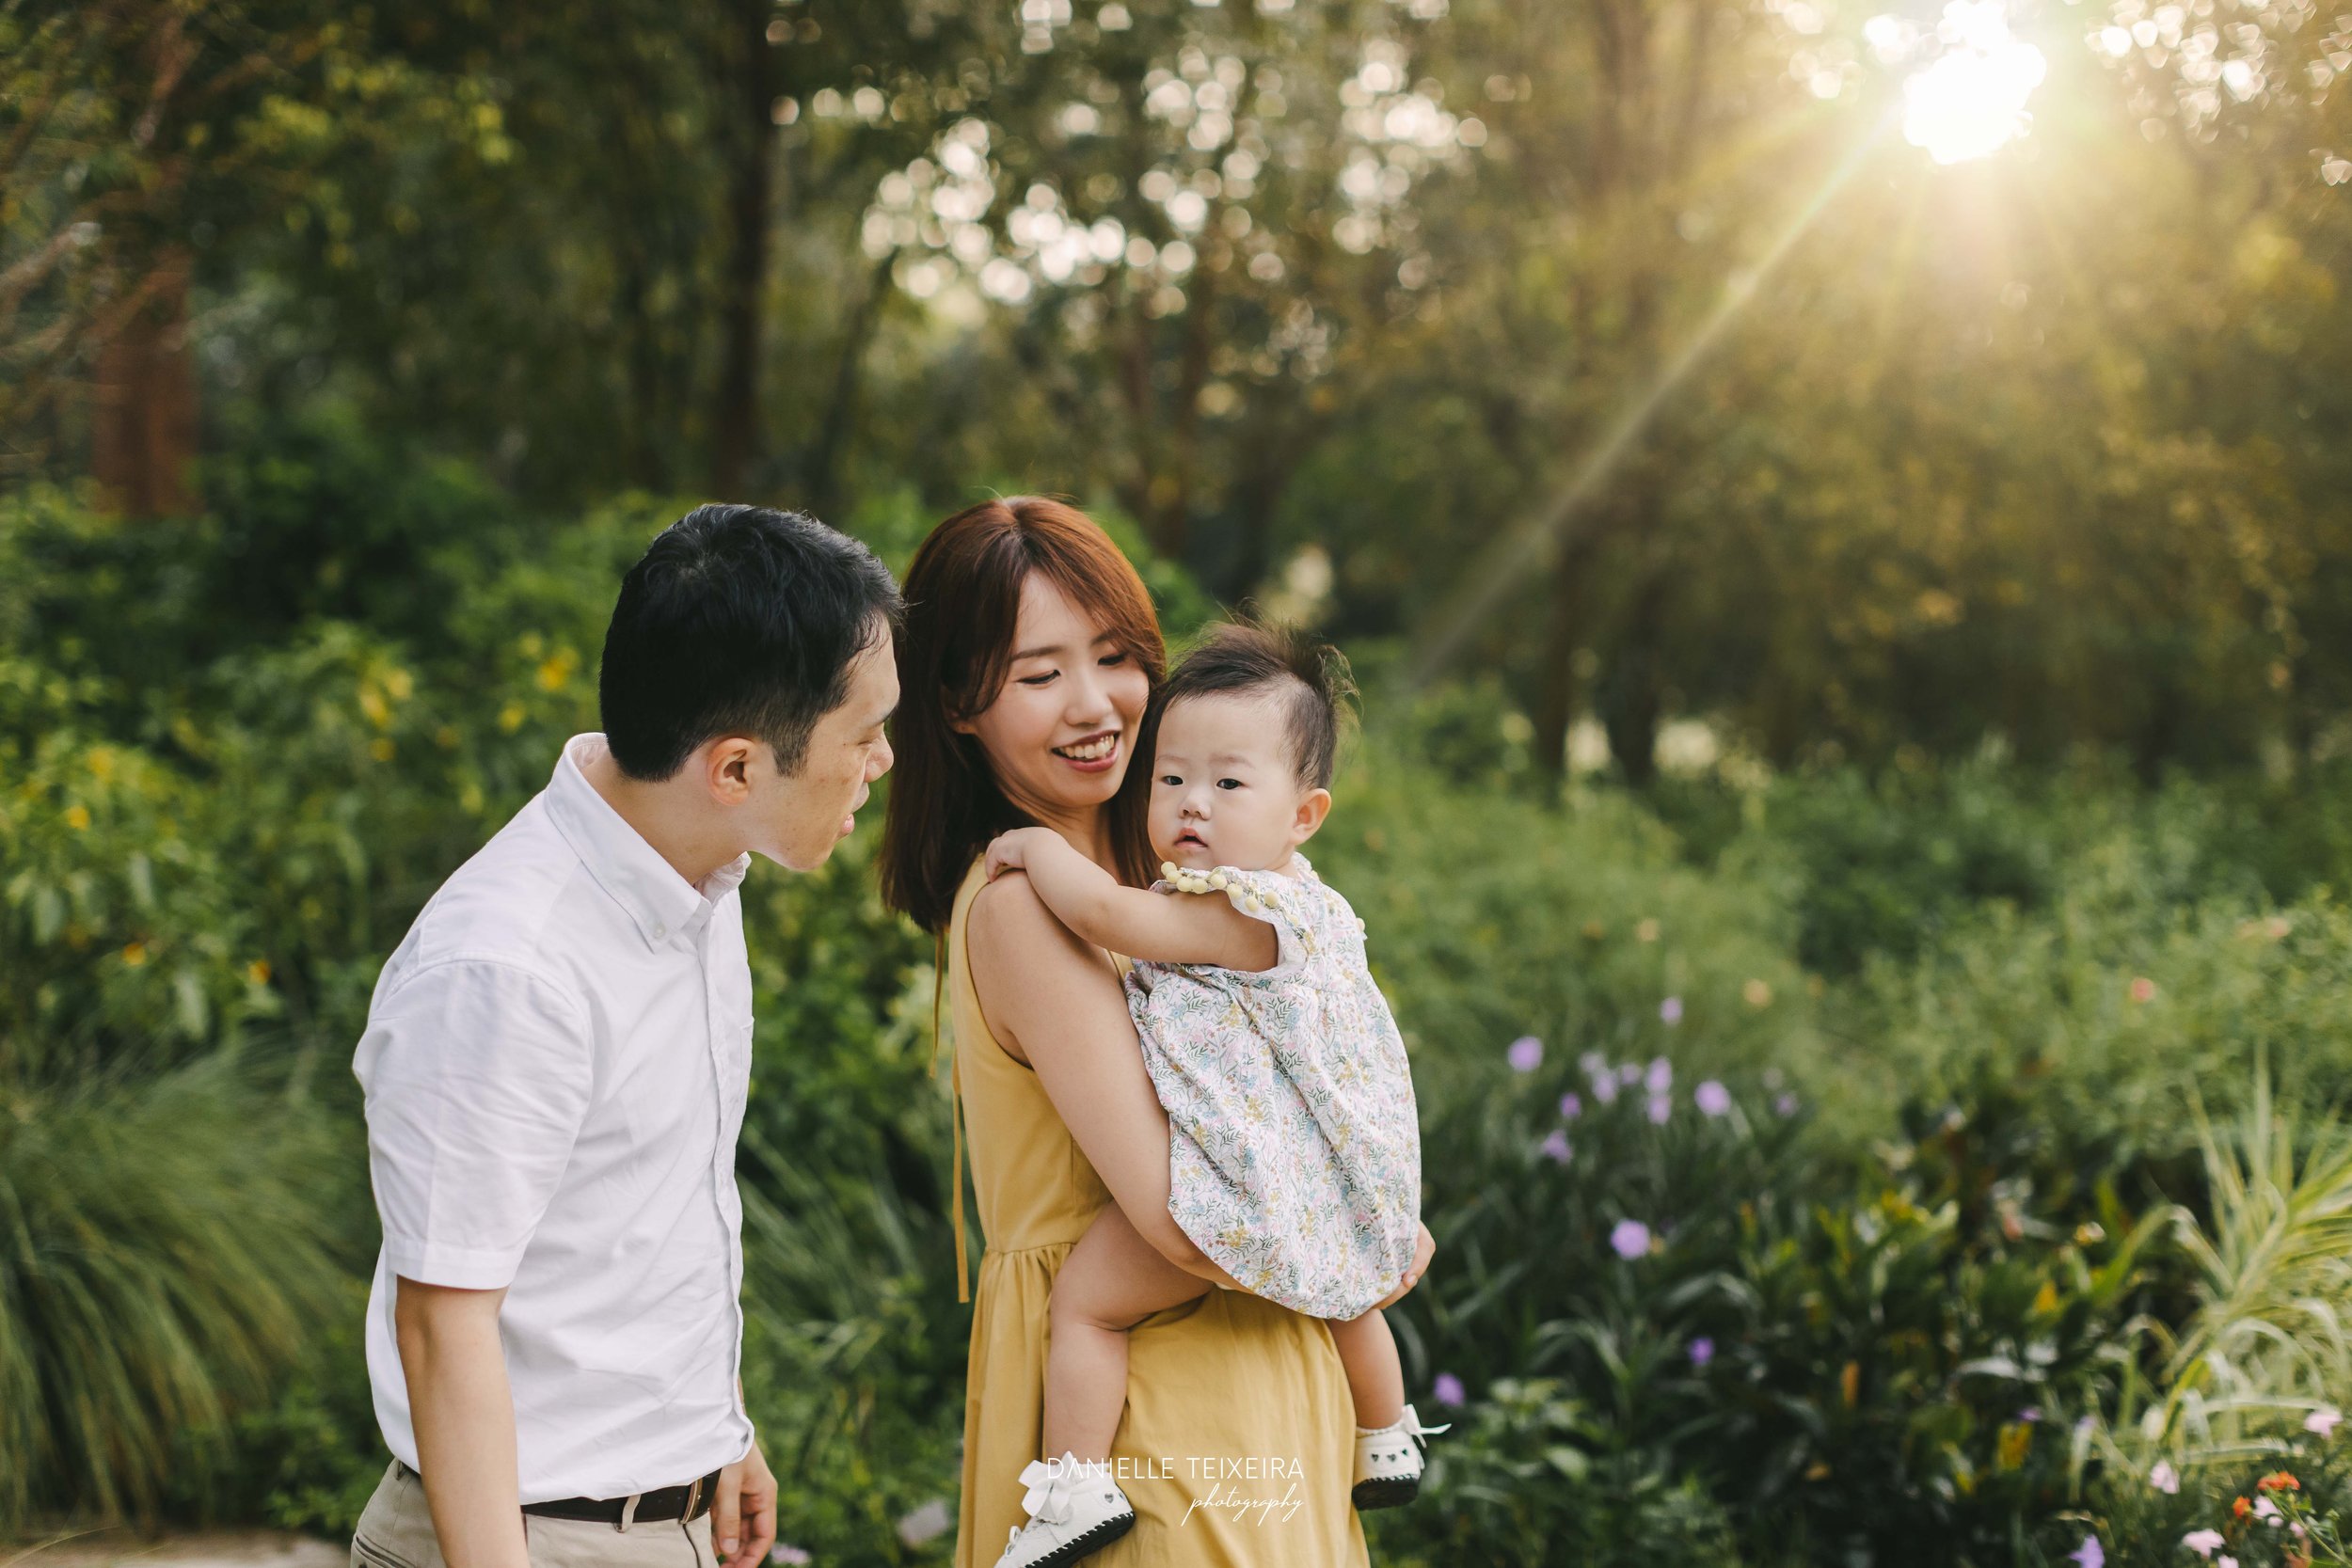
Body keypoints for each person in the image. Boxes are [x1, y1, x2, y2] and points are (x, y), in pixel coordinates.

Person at [877, 498, 1433, 1568]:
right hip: (1157, 1422)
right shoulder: (1029, 902)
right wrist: (1343, 1225)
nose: (1094, 704)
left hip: (1258, 1377)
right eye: (1039, 674)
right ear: (955, 701)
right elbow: (1179, 1227)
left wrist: (1365, 1195)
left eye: (1116, 656)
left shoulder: (1183, 879)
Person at [350, 504, 900, 1568]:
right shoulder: (506, 968)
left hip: (677, 1515)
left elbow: (653, 1214)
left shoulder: (697, 867)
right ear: (734, 767)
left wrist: (716, 1434)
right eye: (864, 731)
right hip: (525, 1538)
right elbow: (442, 1324)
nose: (882, 758)